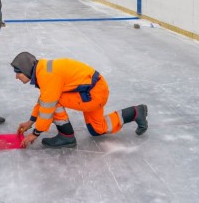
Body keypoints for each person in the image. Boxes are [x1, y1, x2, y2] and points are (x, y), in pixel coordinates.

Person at [10, 52, 148, 148]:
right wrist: (31, 121)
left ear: (27, 69)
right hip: (95, 90)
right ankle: (136, 112)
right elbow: (45, 97)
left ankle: (66, 136)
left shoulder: (48, 75)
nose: (16, 76)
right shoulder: (44, 69)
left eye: (18, 72)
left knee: (54, 102)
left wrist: (35, 133)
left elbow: (47, 106)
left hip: (93, 94)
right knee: (97, 129)